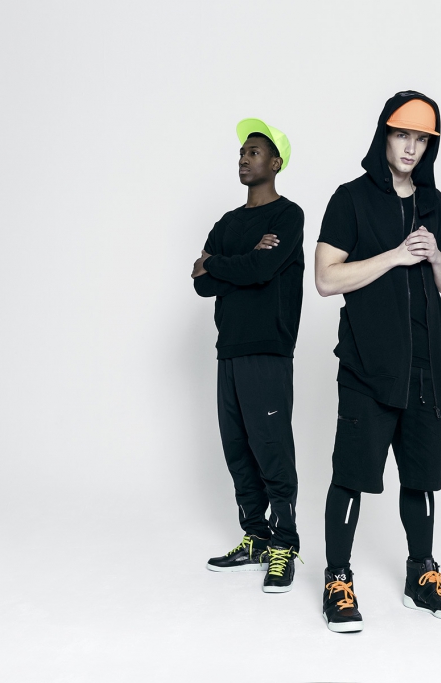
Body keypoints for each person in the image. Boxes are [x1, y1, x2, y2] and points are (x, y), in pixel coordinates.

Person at [314, 91, 441, 632]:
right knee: (351, 476)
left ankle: (421, 575)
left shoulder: (436, 204)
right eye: (402, 135)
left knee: (421, 478)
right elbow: (326, 279)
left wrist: (434, 255)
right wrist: (397, 255)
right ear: (384, 135)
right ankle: (337, 579)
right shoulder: (350, 199)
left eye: (421, 139)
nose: (411, 147)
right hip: (368, 367)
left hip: (428, 367)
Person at [192, 118, 304, 593]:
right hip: (229, 349)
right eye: (241, 151)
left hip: (268, 348)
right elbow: (201, 283)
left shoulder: (288, 216)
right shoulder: (227, 223)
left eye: (254, 152)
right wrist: (232, 263)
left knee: (271, 448)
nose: (243, 157)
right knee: (237, 449)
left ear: (275, 163)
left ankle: (285, 544)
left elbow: (261, 269)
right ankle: (256, 538)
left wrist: (218, 264)